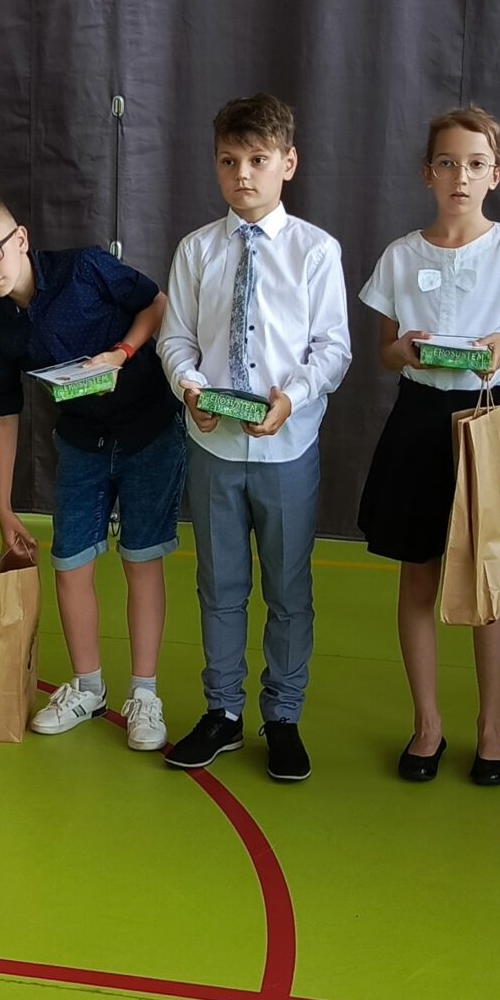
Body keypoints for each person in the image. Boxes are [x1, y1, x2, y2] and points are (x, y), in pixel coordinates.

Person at [0, 186, 181, 753]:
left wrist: (122, 353)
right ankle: (89, 688)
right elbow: (4, 414)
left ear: (20, 238)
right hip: (81, 444)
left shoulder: (85, 268)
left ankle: (145, 693)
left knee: (142, 561)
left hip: (150, 431)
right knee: (70, 564)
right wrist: (3, 506)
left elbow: (157, 303)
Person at [356, 106, 500, 785]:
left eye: (475, 164)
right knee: (418, 574)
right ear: (427, 173)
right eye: (447, 163)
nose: (460, 177)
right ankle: (428, 724)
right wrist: (407, 349)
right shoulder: (401, 254)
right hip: (419, 419)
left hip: (488, 414)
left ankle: (493, 727)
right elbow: (386, 350)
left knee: (486, 575)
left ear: (495, 175)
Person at [158, 94, 351, 783]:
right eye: (228, 161)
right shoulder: (197, 250)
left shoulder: (315, 251)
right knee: (219, 584)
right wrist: (190, 388)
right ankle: (222, 711)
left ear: (287, 163)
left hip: (285, 448)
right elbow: (176, 339)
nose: (242, 174)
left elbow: (332, 348)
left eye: (258, 160)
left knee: (288, 587)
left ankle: (284, 716)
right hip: (213, 448)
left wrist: (291, 398)